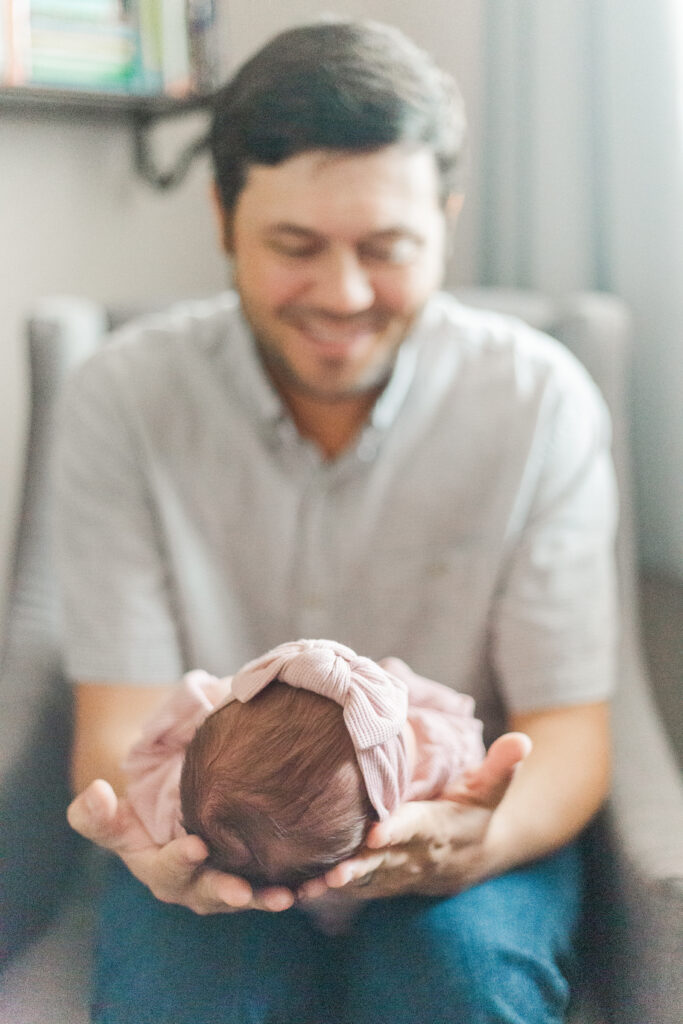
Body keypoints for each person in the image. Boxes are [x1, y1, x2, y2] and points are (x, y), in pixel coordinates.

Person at [58, 16, 617, 1024]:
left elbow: (568, 728)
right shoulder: (122, 398)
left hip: (458, 825)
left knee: (457, 982)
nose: (345, 293)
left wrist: (472, 842)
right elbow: (116, 724)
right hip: (214, 837)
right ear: (223, 217)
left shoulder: (540, 403)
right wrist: (160, 836)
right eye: (295, 247)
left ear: (445, 221)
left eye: (387, 248)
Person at [123, 639, 488, 929]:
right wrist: (404, 698)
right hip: (383, 898)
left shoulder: (177, 812)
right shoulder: (430, 759)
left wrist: (195, 702)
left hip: (260, 910)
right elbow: (464, 729)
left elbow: (144, 759)